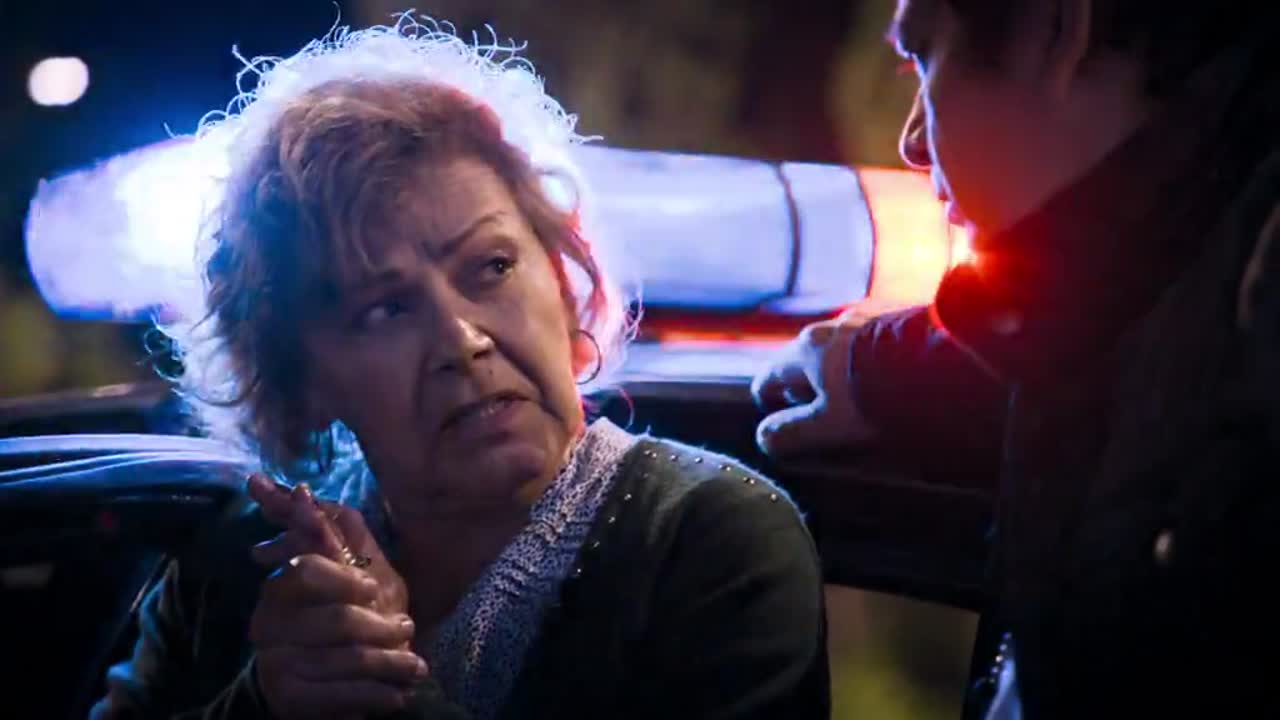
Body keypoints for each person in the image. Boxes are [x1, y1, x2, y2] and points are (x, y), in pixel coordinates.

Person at [91, 15, 829, 720]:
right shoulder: (240, 560)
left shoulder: (713, 541)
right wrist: (264, 703)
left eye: (492, 266)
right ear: (301, 379)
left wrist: (378, 689)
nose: (462, 340)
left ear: (564, 281)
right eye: (386, 309)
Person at [753, 1, 1279, 718]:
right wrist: (876, 370)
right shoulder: (1184, 266)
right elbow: (1076, 324)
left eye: (924, 58)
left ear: (1055, 32)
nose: (912, 141)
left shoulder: (1255, 305)